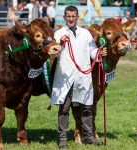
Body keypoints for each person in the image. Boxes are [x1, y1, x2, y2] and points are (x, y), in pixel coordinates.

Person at [51, 6, 107, 149]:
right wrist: (61, 43)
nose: (70, 19)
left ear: (77, 17)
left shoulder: (86, 33)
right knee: (64, 109)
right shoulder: (58, 33)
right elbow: (53, 54)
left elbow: (92, 51)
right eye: (68, 16)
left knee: (86, 107)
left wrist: (99, 53)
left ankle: (89, 138)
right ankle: (63, 140)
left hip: (83, 76)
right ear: (64, 17)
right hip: (66, 77)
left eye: (73, 16)